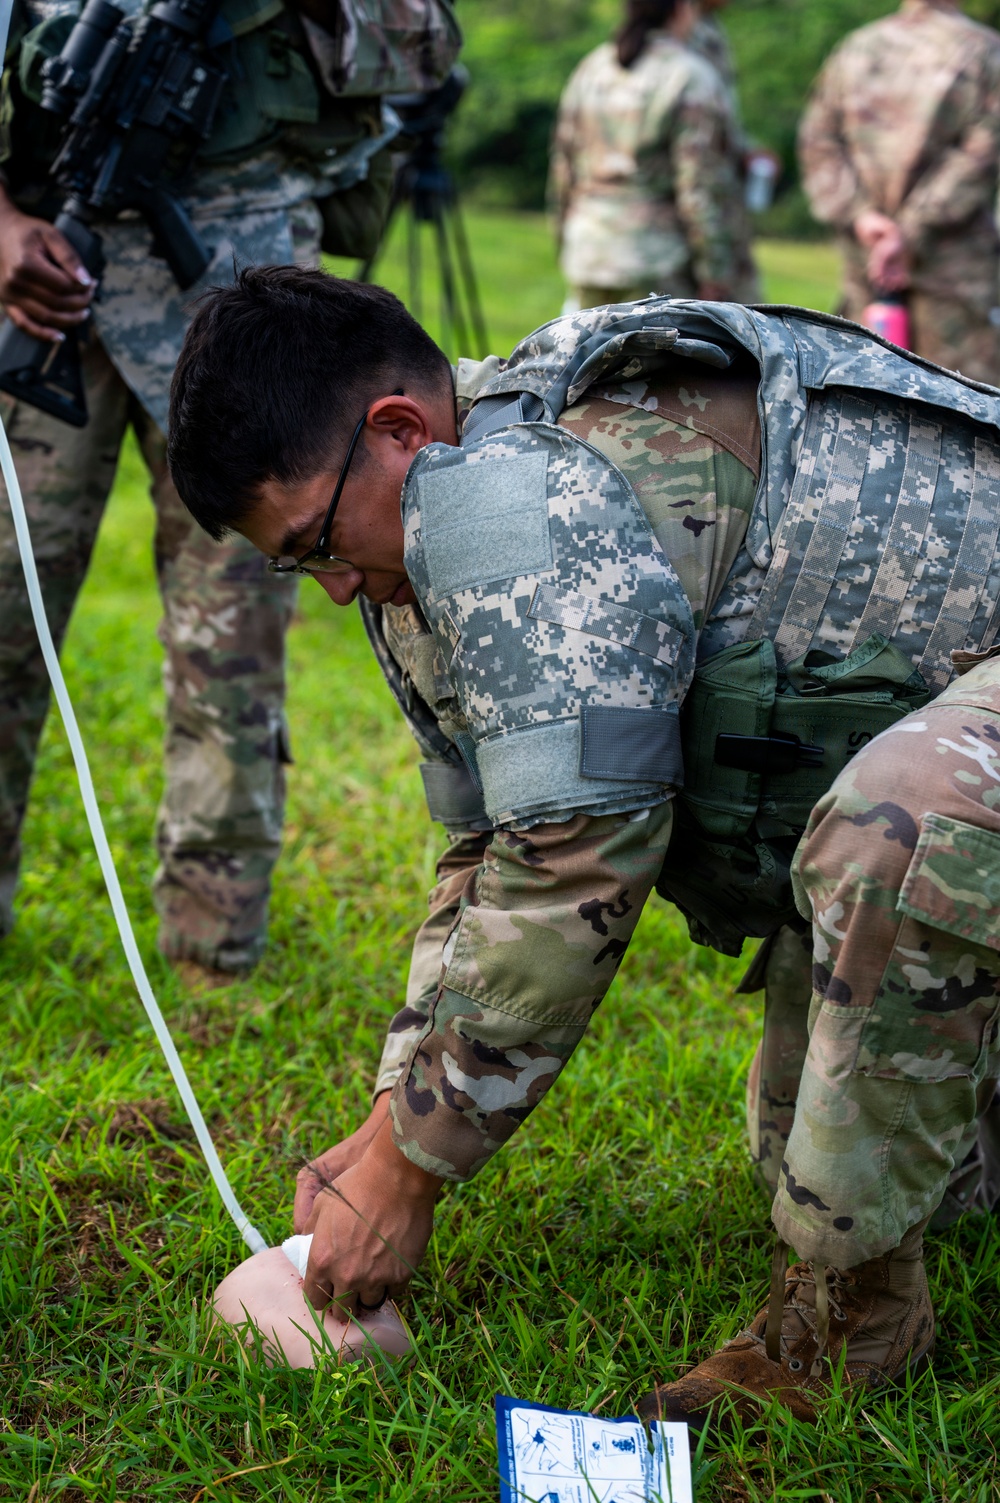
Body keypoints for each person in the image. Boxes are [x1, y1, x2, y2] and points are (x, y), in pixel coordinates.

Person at [166, 266, 1000, 1427]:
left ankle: (847, 1334)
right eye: (292, 563)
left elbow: (574, 859)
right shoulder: (429, 532)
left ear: (398, 430)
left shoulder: (520, 507)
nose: (335, 583)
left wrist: (412, 1174)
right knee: (856, 1165)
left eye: (314, 539)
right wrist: (386, 1121)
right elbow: (486, 857)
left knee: (902, 823)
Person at [0, 0, 459, 984]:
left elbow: (426, 44)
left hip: (248, 307)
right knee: (5, 609)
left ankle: (214, 950)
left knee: (231, 651)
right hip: (41, 279)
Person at [798, 0, 1000, 383]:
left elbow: (818, 142)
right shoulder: (986, 52)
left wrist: (863, 218)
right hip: (954, 278)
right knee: (965, 413)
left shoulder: (856, 49)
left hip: (868, 267)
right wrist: (908, 231)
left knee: (866, 407)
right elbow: (980, 158)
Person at [547, 0, 759, 312]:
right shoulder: (690, 76)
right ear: (682, 9)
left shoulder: (592, 68)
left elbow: (563, 169)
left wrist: (564, 237)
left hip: (588, 251)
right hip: (657, 260)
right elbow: (700, 188)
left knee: (585, 357)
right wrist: (715, 272)